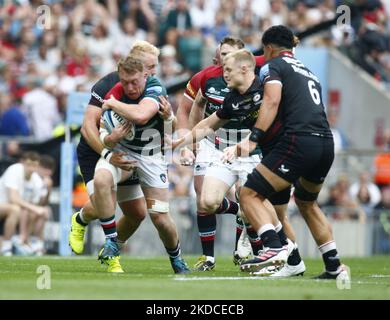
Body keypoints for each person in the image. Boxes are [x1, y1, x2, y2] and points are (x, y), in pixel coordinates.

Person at [223, 25, 349, 280]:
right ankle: (334, 266)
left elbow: (271, 100)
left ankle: (273, 247)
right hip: (325, 143)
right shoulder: (308, 71)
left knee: (248, 193)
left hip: (299, 141)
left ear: (268, 48)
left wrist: (253, 138)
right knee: (307, 203)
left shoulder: (274, 66)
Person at [176, 37, 303, 276]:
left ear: (244, 63)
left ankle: (288, 254)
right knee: (207, 202)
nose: (225, 64)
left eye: (230, 59)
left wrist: (288, 42)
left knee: (272, 209)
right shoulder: (223, 90)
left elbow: (277, 55)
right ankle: (258, 235)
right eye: (222, 58)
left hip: (259, 153)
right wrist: (183, 142)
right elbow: (205, 119)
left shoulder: (265, 81)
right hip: (222, 150)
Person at [68, 41, 177, 272]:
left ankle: (112, 247)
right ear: (134, 61)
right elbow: (88, 127)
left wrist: (169, 119)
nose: (153, 71)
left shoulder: (151, 85)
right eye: (150, 65)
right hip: (97, 147)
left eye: (154, 66)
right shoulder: (107, 85)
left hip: (131, 151)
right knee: (101, 202)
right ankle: (84, 223)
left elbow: (164, 123)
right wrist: (107, 153)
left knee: (137, 213)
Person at [94, 54, 189, 274]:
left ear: (145, 76)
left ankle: (176, 258)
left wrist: (115, 105)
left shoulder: (155, 88)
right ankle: (110, 241)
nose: (130, 87)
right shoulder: (114, 93)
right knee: (101, 179)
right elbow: (103, 137)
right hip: (122, 152)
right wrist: (112, 137)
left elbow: (142, 116)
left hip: (151, 155)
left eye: (134, 82)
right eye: (125, 82)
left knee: (160, 217)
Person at [0, 152, 48, 256]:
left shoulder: (37, 180)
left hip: (14, 215)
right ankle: (6, 247)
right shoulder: (14, 170)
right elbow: (13, 198)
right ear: (23, 163)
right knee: (15, 209)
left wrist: (47, 189)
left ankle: (31, 242)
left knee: (43, 211)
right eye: (29, 165)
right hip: (3, 206)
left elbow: (32, 208)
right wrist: (34, 208)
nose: (31, 168)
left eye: (34, 165)